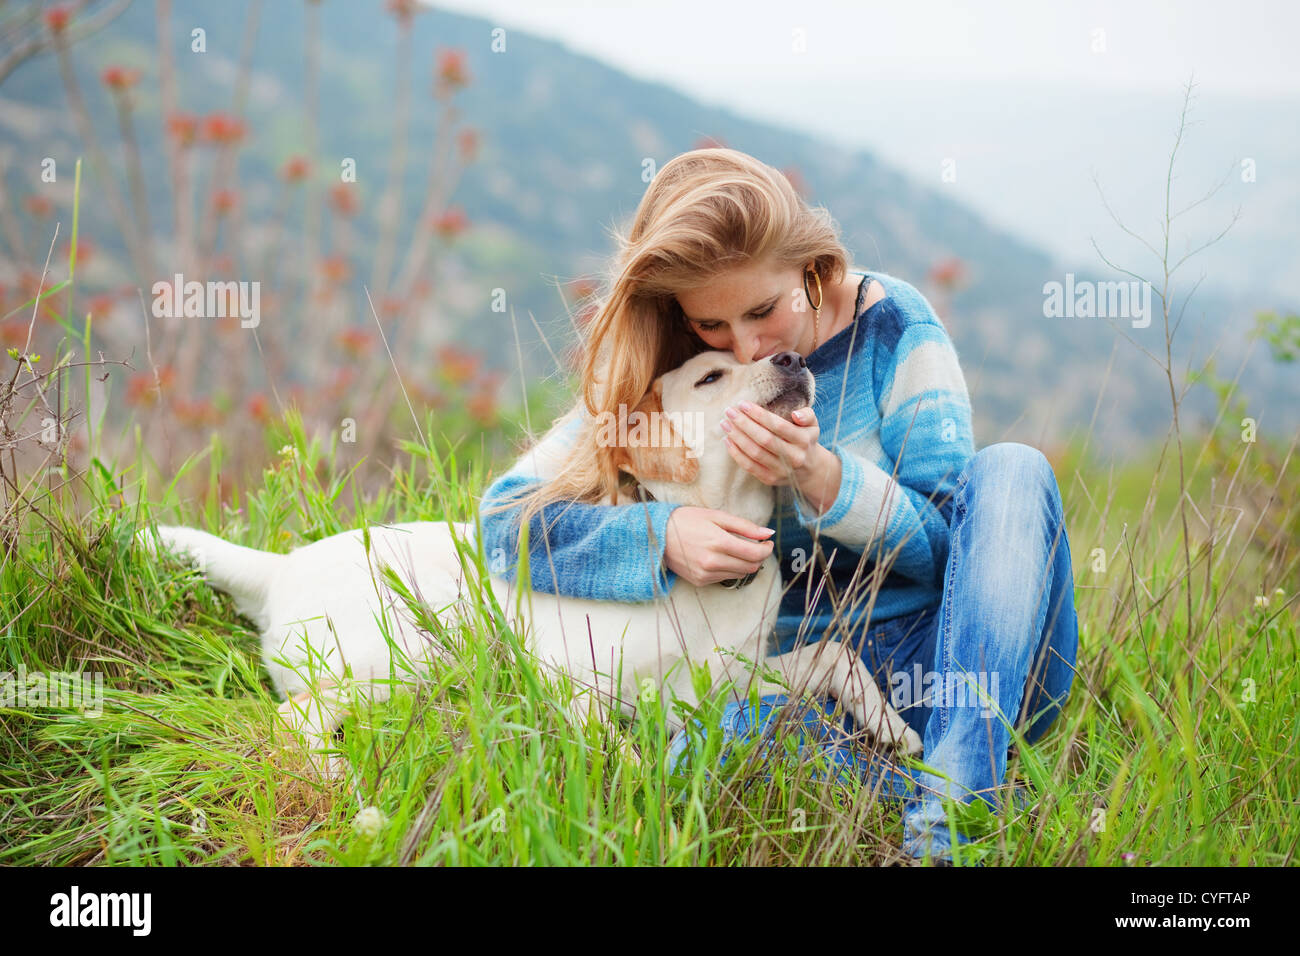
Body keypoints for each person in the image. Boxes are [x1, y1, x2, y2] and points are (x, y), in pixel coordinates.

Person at [477, 147, 1079, 865]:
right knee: (698, 748)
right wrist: (659, 535)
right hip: (793, 686)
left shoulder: (893, 329)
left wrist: (826, 480)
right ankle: (909, 785)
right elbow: (504, 518)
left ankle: (950, 817)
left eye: (764, 310)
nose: (747, 344)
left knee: (1013, 469)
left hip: (968, 666)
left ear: (813, 270)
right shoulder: (677, 366)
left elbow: (956, 549)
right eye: (712, 326)